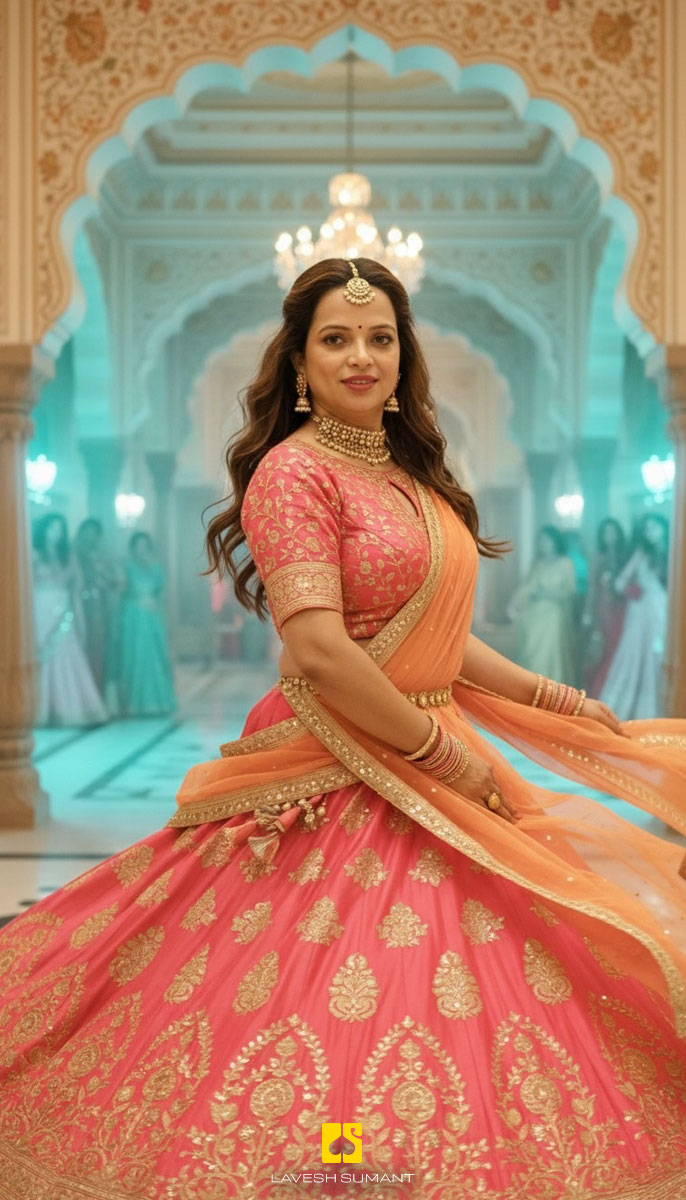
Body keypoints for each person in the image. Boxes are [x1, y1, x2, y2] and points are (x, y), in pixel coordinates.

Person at [0, 259, 685, 1198]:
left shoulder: (414, 475)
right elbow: (320, 650)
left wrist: (553, 699)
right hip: (338, 761)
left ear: (403, 359)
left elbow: (446, 638)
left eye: (380, 337)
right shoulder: (291, 474)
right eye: (335, 338)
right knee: (313, 992)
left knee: (482, 986)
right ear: (299, 364)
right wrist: (443, 753)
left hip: (426, 750)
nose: (361, 355)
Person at [32, 512, 108, 727]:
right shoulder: (34, 555)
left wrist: (75, 610)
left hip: (64, 611)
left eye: (60, 529)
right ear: (43, 529)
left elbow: (77, 585)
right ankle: (40, 709)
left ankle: (67, 708)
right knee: (42, 656)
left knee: (66, 656)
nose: (55, 533)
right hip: (40, 609)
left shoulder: (68, 556)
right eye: (52, 528)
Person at [600, 512, 669, 720]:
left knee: (661, 656)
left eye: (655, 527)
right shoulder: (642, 553)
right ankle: (633, 711)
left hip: (665, 611)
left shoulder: (675, 552)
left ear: (665, 528)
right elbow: (620, 582)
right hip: (641, 613)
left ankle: (664, 708)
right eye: (647, 529)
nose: (651, 533)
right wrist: (636, 591)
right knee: (637, 656)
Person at [117, 530, 177, 716]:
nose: (142, 550)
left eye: (145, 546)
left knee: (155, 658)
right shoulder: (126, 568)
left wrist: (155, 604)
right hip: (134, 619)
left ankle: (158, 703)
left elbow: (162, 593)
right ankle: (135, 704)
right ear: (133, 548)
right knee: (135, 658)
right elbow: (120, 593)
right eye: (138, 546)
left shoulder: (156, 568)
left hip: (152, 619)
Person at [508, 524, 578, 682]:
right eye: (541, 541)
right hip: (534, 614)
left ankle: (553, 686)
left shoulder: (565, 563)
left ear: (555, 542)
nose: (543, 544)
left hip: (553, 615)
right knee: (530, 651)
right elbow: (527, 588)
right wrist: (515, 602)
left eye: (547, 540)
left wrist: (546, 594)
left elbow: (570, 591)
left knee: (549, 651)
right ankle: (533, 686)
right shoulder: (538, 565)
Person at [584, 517, 628, 697]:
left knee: (621, 648)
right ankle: (601, 690)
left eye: (613, 532)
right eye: (606, 533)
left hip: (623, 608)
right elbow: (592, 587)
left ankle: (619, 688)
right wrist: (588, 612)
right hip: (604, 607)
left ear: (618, 534)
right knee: (604, 647)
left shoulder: (625, 556)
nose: (610, 536)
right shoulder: (598, 557)